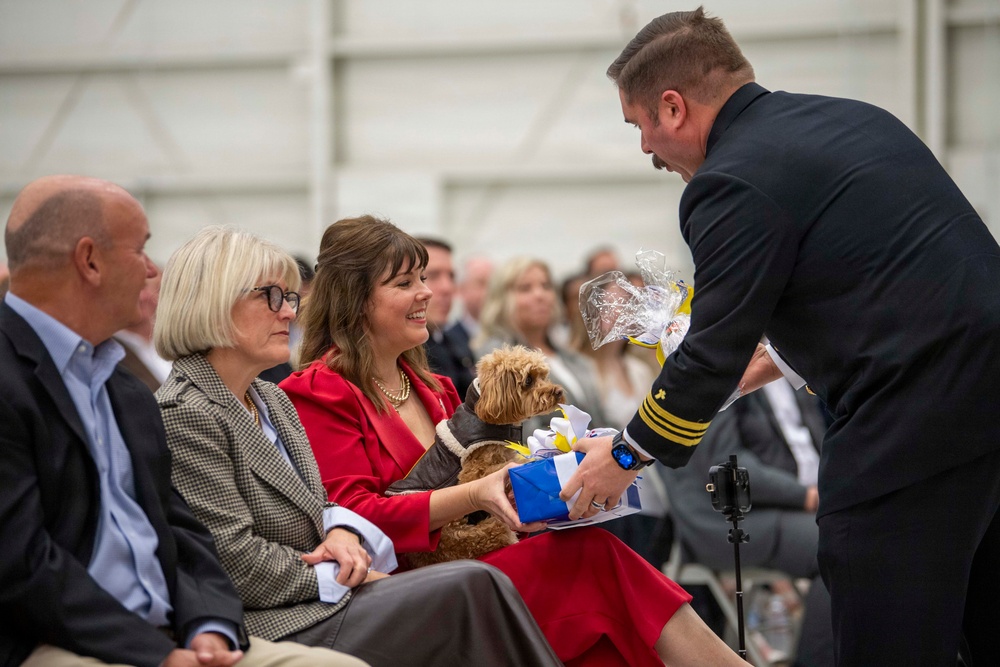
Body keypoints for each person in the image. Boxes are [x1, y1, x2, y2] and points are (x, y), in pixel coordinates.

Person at [560, 8, 1000, 666]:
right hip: (979, 406)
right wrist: (749, 369)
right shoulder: (851, 121)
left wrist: (625, 456)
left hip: (911, 414)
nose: (646, 150)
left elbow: (711, 350)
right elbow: (870, 295)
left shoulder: (730, 180)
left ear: (673, 108)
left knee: (881, 620)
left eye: (641, 126)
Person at [279, 214, 750, 667]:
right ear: (355, 300)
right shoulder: (319, 391)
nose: (428, 292)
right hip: (403, 588)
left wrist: (553, 493)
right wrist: (477, 494)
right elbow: (352, 516)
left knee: (591, 579)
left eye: (423, 277)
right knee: (594, 562)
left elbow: (479, 492)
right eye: (405, 284)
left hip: (472, 566)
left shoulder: (436, 388)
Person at [153, 226, 561, 667]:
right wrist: (343, 570)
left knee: (539, 568)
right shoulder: (189, 409)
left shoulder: (269, 399)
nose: (289, 313)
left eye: (290, 297)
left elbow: (324, 509)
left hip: (341, 587)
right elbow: (234, 561)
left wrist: (342, 531)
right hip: (283, 615)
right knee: (476, 586)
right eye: (272, 296)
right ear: (213, 304)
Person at [0, 175, 365, 667]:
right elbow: (20, 564)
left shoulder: (123, 387)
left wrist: (208, 625)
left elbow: (181, 534)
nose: (152, 270)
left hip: (181, 626)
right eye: (140, 250)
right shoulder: (22, 379)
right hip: (58, 639)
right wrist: (157, 651)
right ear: (90, 261)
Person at [662, 378, 834, 666]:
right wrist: (805, 496)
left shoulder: (792, 369)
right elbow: (727, 464)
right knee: (837, 547)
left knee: (874, 532)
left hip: (796, 503)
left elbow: (820, 443)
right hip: (728, 517)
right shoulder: (719, 372)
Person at [474, 256, 609, 436]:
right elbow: (521, 431)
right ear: (502, 299)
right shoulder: (495, 356)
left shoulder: (573, 357)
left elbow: (601, 421)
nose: (540, 295)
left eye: (546, 286)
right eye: (525, 288)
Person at [414, 237, 475, 398]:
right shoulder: (400, 355)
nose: (447, 288)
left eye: (451, 277)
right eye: (432, 276)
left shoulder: (458, 342)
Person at [115, 263, 173, 392]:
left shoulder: (177, 338)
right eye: (132, 289)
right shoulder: (108, 350)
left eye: (145, 288)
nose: (142, 296)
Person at [451, 254, 492, 343]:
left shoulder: (510, 336)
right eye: (481, 283)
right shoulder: (447, 340)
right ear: (461, 289)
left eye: (493, 284)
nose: (489, 291)